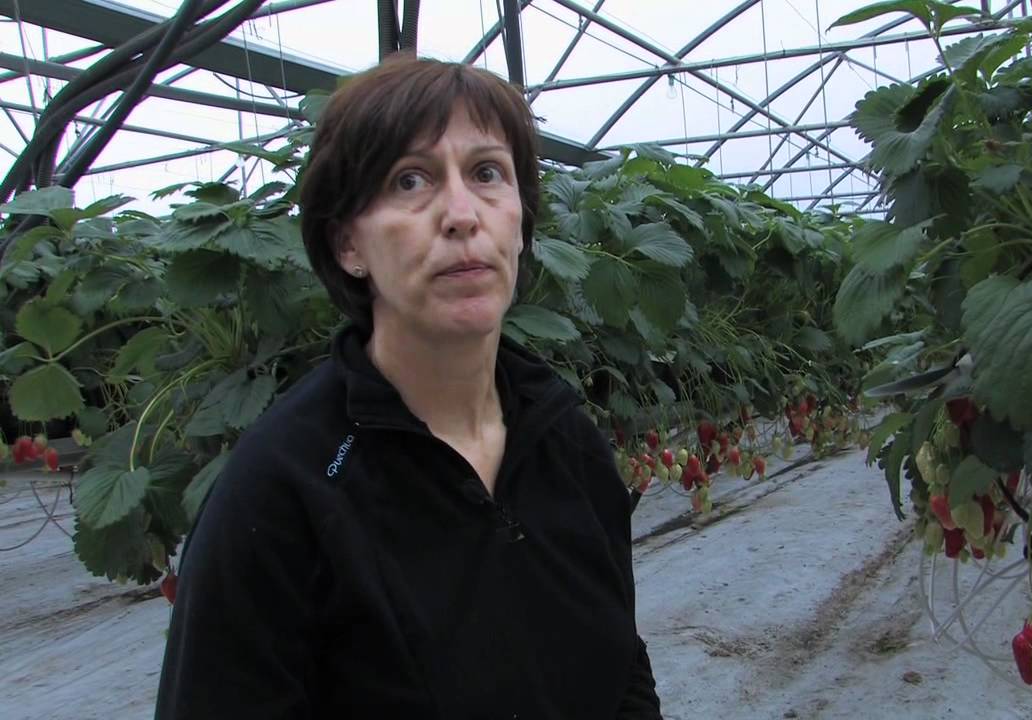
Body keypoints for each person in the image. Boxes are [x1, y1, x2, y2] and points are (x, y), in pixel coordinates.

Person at [154, 55, 662, 719]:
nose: (460, 214)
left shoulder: (569, 443)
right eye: (410, 180)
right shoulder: (279, 496)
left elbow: (621, 670)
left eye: (487, 173)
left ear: (520, 219)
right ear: (347, 245)